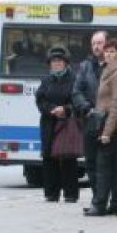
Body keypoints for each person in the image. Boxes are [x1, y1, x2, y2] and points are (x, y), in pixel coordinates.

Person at [85, 38, 117, 216]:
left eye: (113, 51)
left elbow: (116, 104)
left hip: (111, 125)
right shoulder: (110, 70)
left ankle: (99, 204)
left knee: (103, 166)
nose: (108, 54)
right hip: (107, 122)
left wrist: (107, 132)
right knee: (114, 166)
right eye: (107, 51)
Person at [36, 47, 80, 203]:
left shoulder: (74, 79)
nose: (56, 64)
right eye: (53, 62)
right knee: (48, 157)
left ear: (66, 63)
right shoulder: (46, 80)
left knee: (68, 157)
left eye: (59, 61)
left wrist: (66, 109)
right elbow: (40, 100)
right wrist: (50, 109)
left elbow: (78, 100)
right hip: (49, 122)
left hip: (68, 123)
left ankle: (71, 194)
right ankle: (51, 193)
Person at [73, 31, 108, 204]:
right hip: (89, 121)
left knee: (106, 164)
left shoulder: (115, 66)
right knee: (91, 162)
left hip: (109, 122)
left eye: (100, 43)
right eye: (94, 43)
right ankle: (96, 199)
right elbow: (77, 91)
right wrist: (86, 107)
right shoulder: (85, 67)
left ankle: (109, 199)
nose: (96, 46)